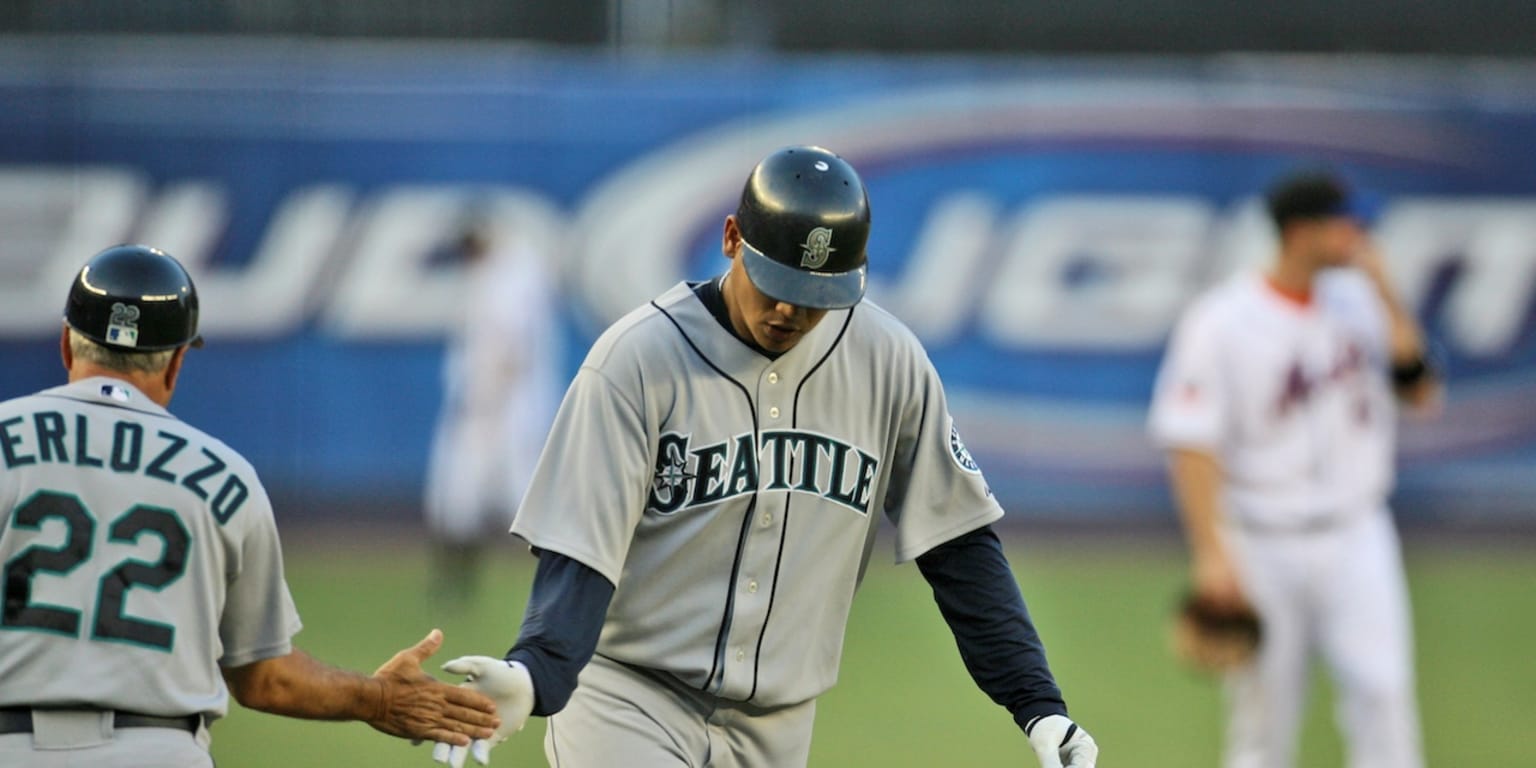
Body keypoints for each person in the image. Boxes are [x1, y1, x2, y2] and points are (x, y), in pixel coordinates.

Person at [430, 146, 1098, 768]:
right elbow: (581, 551)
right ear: (729, 239)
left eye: (815, 297)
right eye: (773, 280)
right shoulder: (635, 361)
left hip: (777, 728)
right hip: (627, 700)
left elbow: (958, 544)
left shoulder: (889, 363)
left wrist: (1037, 706)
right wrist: (536, 671)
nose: (787, 309)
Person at [0, 245, 501, 767]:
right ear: (176, 361)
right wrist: (377, 698)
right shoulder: (224, 476)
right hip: (160, 751)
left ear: (65, 344)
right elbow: (265, 680)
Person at [1149, 171, 1440, 768]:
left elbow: (1421, 393)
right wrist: (1212, 552)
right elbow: (1190, 441)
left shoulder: (1361, 301)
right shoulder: (1222, 320)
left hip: (1360, 534)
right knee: (1263, 722)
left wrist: (1387, 294)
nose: (1359, 234)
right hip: (1264, 541)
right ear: (1301, 233)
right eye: (1345, 223)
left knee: (1385, 701)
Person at [423, 220, 562, 603]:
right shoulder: (510, 273)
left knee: (480, 493)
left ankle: (558, 582)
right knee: (469, 495)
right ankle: (458, 581)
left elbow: (509, 347)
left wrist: (486, 403)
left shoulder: (509, 278)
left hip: (502, 407)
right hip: (504, 404)